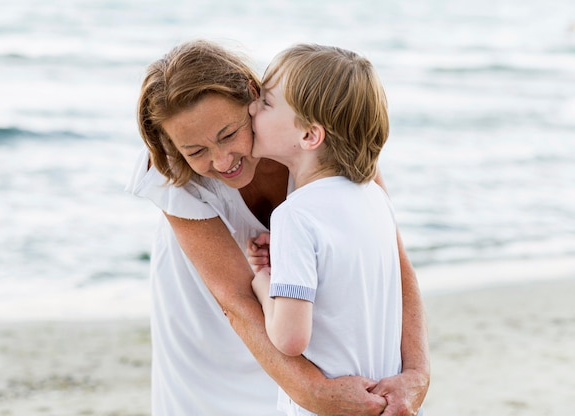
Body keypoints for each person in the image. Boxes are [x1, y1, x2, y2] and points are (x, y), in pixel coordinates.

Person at [127, 39, 429, 415]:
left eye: (228, 134)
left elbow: (395, 261)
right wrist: (313, 392)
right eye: (196, 152)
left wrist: (417, 374)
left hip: (291, 324)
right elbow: (235, 302)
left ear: (252, 99)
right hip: (209, 326)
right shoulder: (170, 167)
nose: (222, 161)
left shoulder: (321, 143)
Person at [247, 43, 415, 416]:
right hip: (379, 399)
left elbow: (290, 339)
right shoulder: (374, 199)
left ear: (310, 135)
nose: (252, 107)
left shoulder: (295, 217)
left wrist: (262, 282)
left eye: (267, 102)